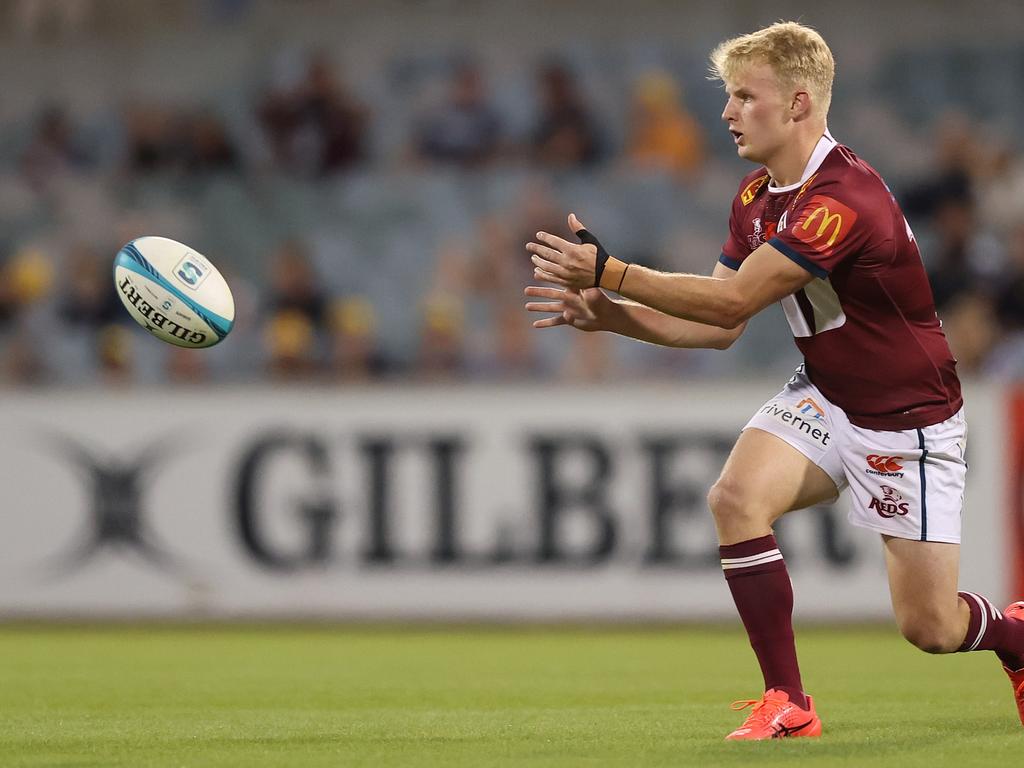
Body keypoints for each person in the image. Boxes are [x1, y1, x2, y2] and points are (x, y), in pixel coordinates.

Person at [523, 21, 1024, 740]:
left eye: (743, 96)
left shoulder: (844, 197)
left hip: (906, 415)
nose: (727, 112)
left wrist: (612, 272)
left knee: (932, 627)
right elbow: (721, 330)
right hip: (827, 391)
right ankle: (788, 700)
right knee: (734, 498)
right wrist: (612, 316)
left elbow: (731, 302)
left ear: (796, 104)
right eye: (728, 96)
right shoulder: (757, 194)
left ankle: (1015, 637)